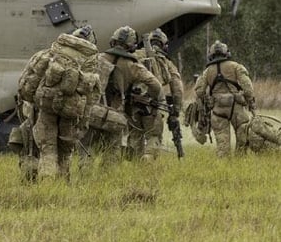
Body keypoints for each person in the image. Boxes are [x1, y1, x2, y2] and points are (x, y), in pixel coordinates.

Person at [16, 25, 99, 181]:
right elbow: (92, 97)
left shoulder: (49, 54)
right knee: (65, 153)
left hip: (45, 110)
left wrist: (34, 100)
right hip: (71, 114)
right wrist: (83, 121)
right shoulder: (90, 65)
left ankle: (46, 183)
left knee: (47, 150)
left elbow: (26, 84)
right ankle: (61, 185)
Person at [79, 25, 162, 165]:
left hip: (93, 111)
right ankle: (107, 182)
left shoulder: (97, 59)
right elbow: (156, 85)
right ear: (131, 46)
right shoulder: (133, 66)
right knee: (112, 154)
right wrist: (149, 96)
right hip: (115, 115)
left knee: (88, 151)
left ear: (113, 41)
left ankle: (85, 181)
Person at [194, 41, 255, 157]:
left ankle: (224, 167)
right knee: (242, 140)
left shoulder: (207, 71)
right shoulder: (236, 66)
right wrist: (247, 100)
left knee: (222, 145)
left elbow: (199, 91)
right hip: (237, 108)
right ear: (226, 53)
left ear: (211, 55)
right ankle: (240, 163)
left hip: (218, 110)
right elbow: (248, 89)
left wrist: (208, 100)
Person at [130, 28, 184, 160]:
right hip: (153, 106)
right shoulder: (166, 62)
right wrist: (175, 110)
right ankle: (148, 159)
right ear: (164, 45)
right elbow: (177, 89)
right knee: (154, 137)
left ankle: (135, 166)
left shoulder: (134, 55)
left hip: (132, 104)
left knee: (135, 136)